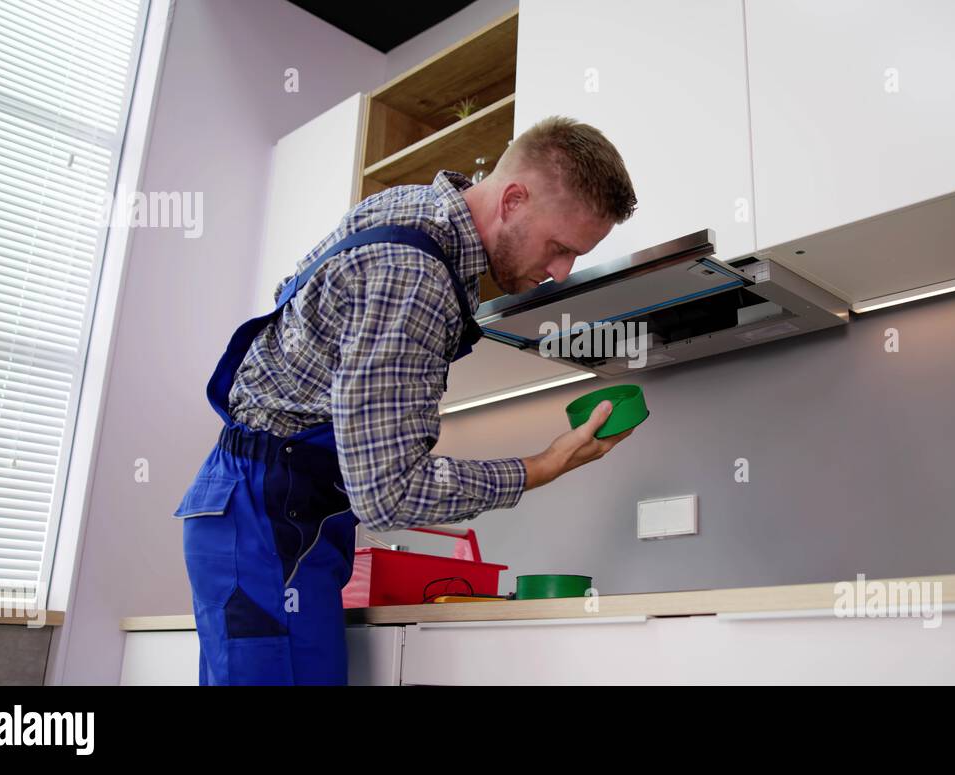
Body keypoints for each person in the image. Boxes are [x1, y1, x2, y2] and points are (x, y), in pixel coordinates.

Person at [172, 116, 639, 685]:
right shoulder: (414, 273)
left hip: (272, 514)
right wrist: (543, 465)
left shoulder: (411, 211)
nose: (561, 271)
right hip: (268, 522)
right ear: (513, 200)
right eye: (561, 247)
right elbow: (388, 497)